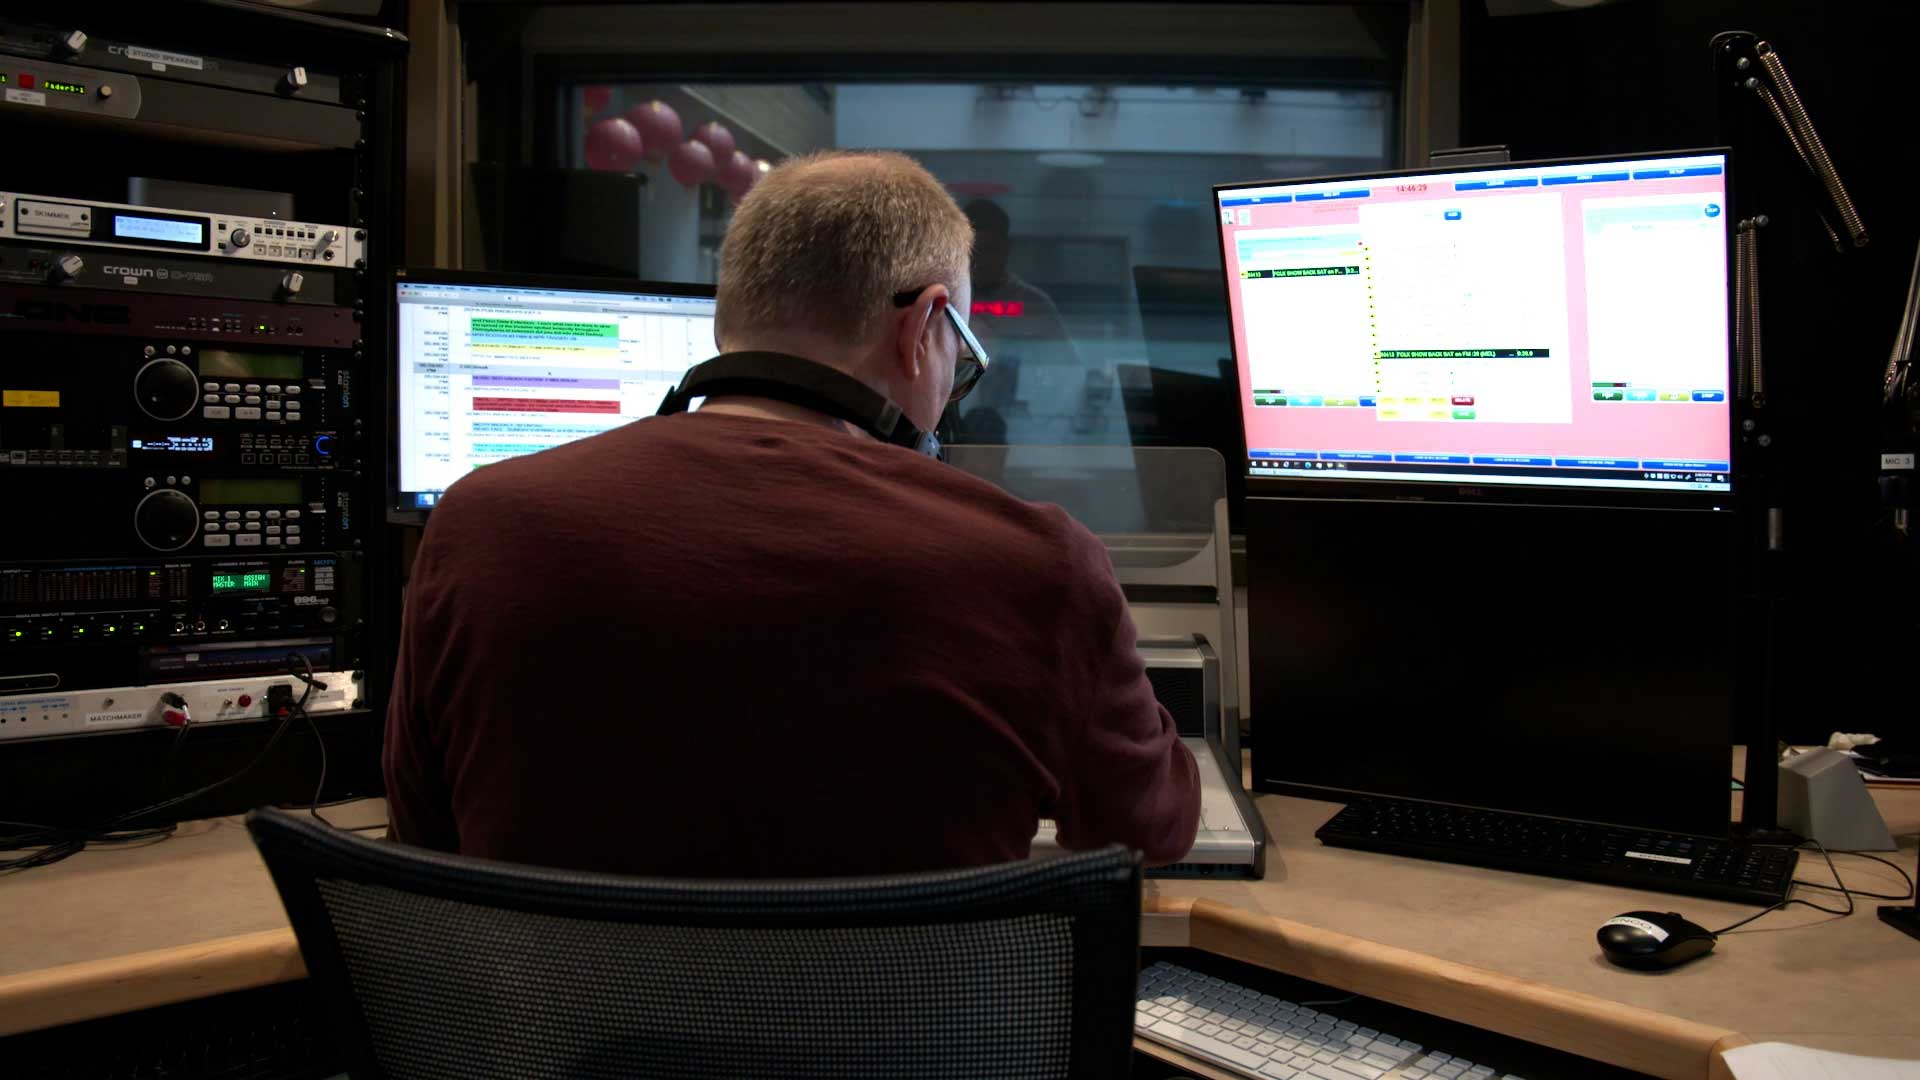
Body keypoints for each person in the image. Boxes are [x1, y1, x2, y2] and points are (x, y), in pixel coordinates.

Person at [384, 151, 1199, 877]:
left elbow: (422, 839)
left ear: (727, 315)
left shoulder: (479, 524)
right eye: (961, 355)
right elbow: (1148, 832)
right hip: (905, 1049)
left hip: (556, 1045)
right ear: (922, 329)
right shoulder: (1037, 565)